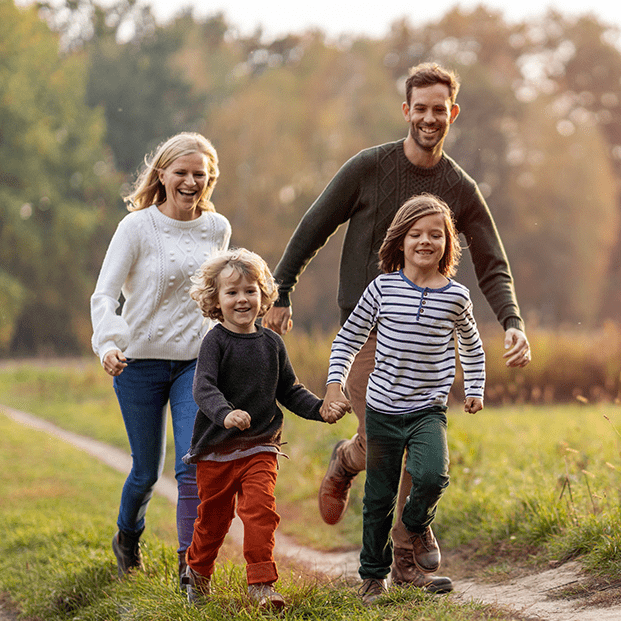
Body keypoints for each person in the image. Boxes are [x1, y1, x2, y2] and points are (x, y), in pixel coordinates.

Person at [262, 62, 531, 591]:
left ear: (452, 114)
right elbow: (315, 224)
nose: (430, 119)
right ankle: (350, 464)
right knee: (386, 440)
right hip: (369, 329)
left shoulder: (459, 186)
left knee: (418, 445)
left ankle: (404, 559)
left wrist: (512, 321)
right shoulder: (368, 167)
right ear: (407, 110)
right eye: (421, 109)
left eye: (440, 110)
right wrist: (282, 288)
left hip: (429, 337)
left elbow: (491, 261)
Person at [323, 194, 485, 604]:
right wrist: (334, 383)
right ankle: (374, 577)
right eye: (416, 234)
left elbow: (472, 346)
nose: (425, 241)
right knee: (379, 496)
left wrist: (475, 388)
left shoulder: (456, 296)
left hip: (428, 409)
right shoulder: (383, 288)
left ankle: (415, 527)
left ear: (448, 243)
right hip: (382, 410)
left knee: (433, 475)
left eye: (436, 235)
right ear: (400, 241)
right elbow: (349, 338)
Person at [90, 132, 232, 585]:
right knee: (146, 472)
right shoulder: (136, 227)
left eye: (199, 174)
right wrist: (109, 344)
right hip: (139, 363)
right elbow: (105, 293)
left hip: (195, 361)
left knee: (191, 464)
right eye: (182, 172)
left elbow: (219, 292)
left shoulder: (217, 228)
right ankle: (127, 537)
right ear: (163, 175)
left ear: (209, 179)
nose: (190, 182)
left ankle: (190, 568)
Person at [181, 248, 348, 610]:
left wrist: (321, 409)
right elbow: (203, 388)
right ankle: (196, 572)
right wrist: (225, 414)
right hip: (217, 450)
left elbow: (289, 390)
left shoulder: (272, 343)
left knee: (261, 510)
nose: (242, 299)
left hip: (260, 447)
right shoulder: (215, 342)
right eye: (232, 292)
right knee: (214, 522)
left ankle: (261, 585)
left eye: (250, 290)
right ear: (215, 300)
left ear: (263, 296)